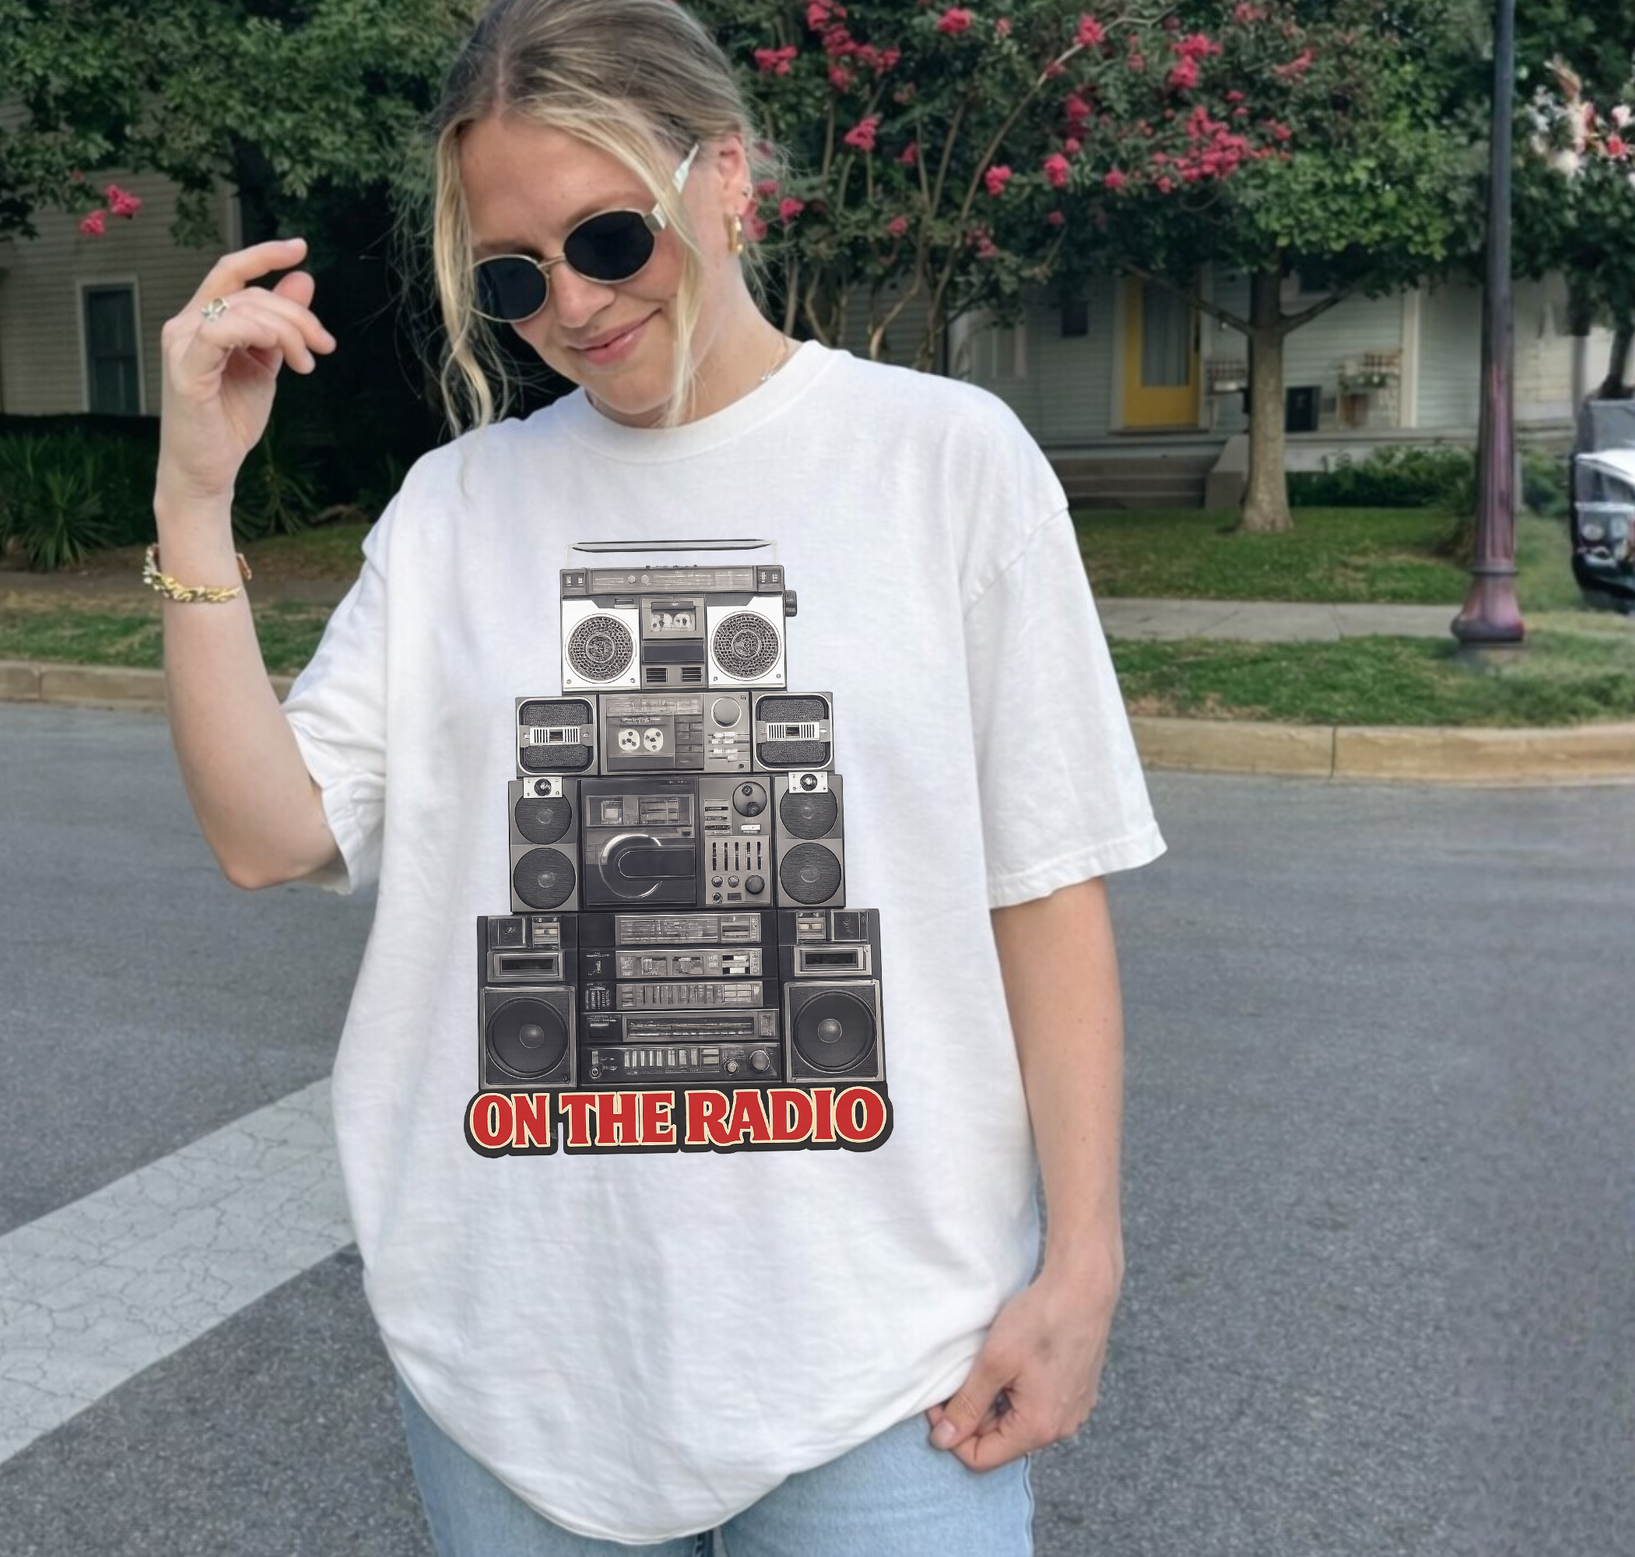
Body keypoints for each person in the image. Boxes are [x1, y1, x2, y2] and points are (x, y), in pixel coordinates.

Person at [150, 0, 1165, 1549]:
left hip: (887, 1356)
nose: (571, 302)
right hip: (521, 1362)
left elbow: (1042, 885)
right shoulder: (455, 510)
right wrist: (194, 498)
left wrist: (1081, 1262)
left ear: (728, 177)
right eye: (512, 273)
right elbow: (265, 835)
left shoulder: (945, 462)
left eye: (609, 236)